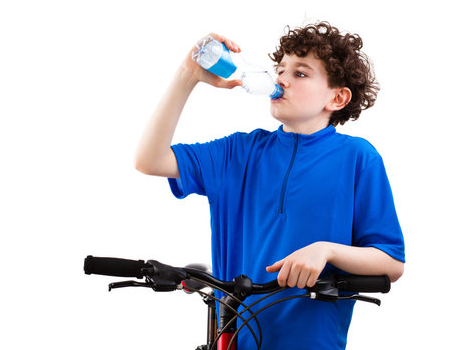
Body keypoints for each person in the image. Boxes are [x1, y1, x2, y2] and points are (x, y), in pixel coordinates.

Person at [135, 22, 405, 350]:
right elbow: (149, 159)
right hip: (234, 336)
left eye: (300, 73)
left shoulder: (358, 158)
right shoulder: (238, 152)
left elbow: (391, 262)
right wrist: (187, 75)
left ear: (337, 97)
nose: (281, 79)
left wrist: (326, 250)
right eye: (280, 69)